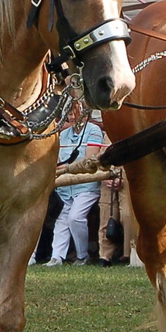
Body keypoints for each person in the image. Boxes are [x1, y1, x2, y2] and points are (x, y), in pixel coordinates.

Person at [42, 113, 107, 265]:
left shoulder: (93, 130)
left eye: (76, 114)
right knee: (61, 219)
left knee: (75, 217)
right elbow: (57, 160)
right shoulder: (63, 134)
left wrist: (68, 168)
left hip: (86, 186)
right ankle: (57, 257)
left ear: (85, 115)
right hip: (65, 186)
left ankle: (82, 256)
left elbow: (90, 159)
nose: (72, 117)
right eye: (69, 114)